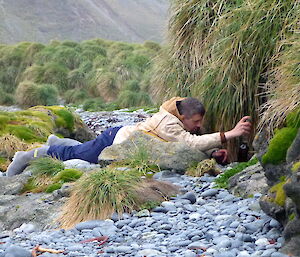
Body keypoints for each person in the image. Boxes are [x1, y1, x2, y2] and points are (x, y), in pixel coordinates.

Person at [6, 97, 251, 176]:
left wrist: (212, 152)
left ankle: (57, 141)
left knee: (81, 150)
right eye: (196, 122)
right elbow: (188, 143)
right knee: (77, 156)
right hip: (116, 141)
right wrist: (229, 134)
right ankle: (30, 155)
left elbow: (189, 142)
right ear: (183, 117)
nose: (198, 126)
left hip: (121, 136)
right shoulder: (168, 123)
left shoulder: (177, 118)